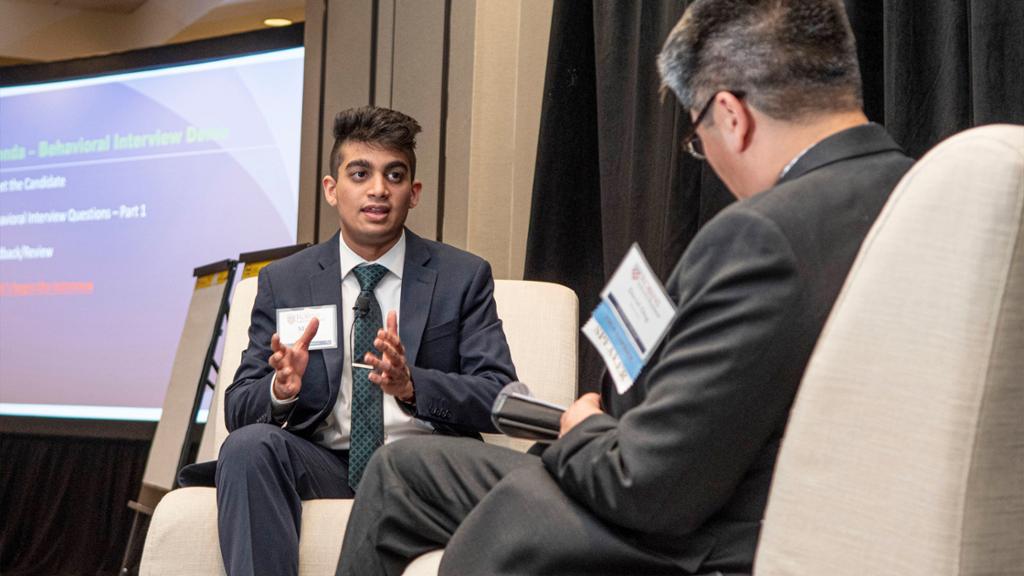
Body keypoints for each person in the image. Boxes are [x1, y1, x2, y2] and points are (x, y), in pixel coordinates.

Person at [334, 1, 915, 575]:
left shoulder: (760, 236)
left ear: (732, 117)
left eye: (698, 138)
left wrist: (582, 429)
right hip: (787, 504)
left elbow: (647, 485)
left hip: (700, 532)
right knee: (406, 469)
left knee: (402, 478)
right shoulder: (912, 193)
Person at [207, 106, 517, 576]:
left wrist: (414, 386)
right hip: (325, 460)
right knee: (248, 447)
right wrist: (280, 390)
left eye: (394, 175)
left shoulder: (461, 277)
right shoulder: (285, 281)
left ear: (413, 193)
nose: (378, 189)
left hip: (420, 464)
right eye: (360, 173)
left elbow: (498, 393)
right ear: (332, 189)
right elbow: (237, 406)